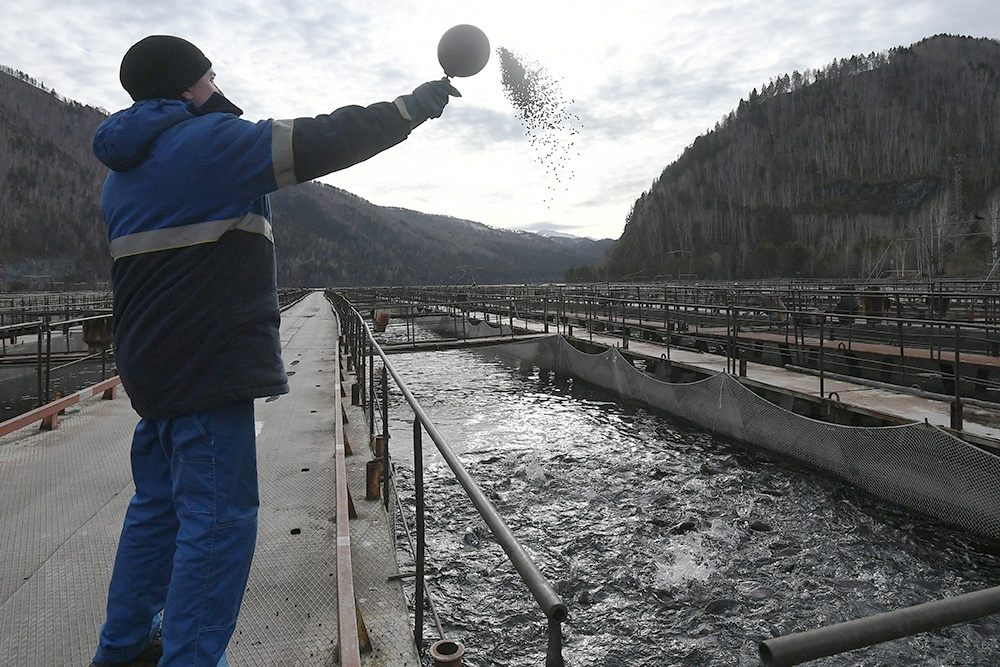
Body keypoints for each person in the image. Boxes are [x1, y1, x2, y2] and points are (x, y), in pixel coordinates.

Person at [89, 35, 459, 667]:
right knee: (219, 524)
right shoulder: (206, 146)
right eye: (208, 76)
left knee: (158, 511)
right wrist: (410, 109)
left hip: (152, 368)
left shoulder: (124, 172)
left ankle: (121, 647)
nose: (216, 85)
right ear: (187, 85)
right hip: (207, 368)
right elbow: (320, 139)